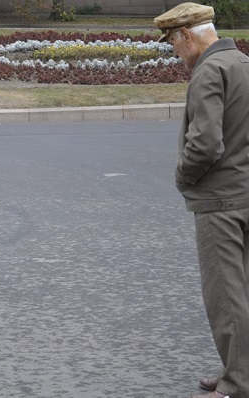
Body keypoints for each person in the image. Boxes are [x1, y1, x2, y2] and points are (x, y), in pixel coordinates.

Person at [154, 3, 249, 398]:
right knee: (244, 292)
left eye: (174, 43)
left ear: (188, 36)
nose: (176, 52)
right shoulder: (242, 62)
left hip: (219, 200)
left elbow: (206, 144)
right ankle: (238, 371)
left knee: (226, 297)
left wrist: (182, 177)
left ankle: (237, 384)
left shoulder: (208, 70)